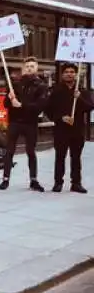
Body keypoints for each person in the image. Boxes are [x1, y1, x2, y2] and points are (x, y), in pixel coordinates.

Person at [0, 57, 47, 192]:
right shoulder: (15, 84)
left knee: (31, 151)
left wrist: (21, 105)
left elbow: (40, 106)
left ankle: (33, 180)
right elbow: (5, 104)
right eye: (27, 66)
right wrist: (9, 99)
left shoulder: (41, 86)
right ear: (23, 68)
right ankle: (5, 179)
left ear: (37, 68)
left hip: (30, 123)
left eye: (32, 66)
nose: (29, 68)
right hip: (14, 122)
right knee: (9, 151)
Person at [47, 63, 92, 194]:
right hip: (61, 130)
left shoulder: (82, 91)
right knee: (60, 157)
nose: (69, 74)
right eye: (66, 72)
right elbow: (48, 110)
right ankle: (58, 182)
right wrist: (61, 118)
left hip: (77, 130)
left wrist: (79, 98)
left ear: (76, 74)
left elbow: (89, 107)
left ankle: (76, 183)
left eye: (72, 72)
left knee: (76, 157)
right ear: (62, 74)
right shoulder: (56, 91)